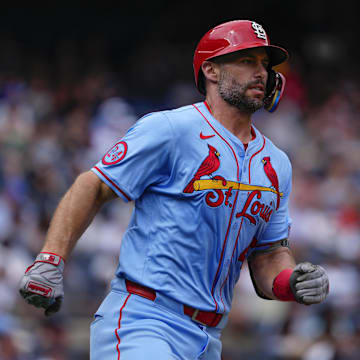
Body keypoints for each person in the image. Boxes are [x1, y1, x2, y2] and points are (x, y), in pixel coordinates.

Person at [19, 20, 329, 360]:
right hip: (145, 320)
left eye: (264, 64)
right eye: (246, 61)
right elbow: (92, 185)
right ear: (211, 70)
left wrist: (291, 283)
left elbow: (268, 254)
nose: (261, 72)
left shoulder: (277, 163)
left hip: (208, 338)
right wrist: (51, 259)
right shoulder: (170, 129)